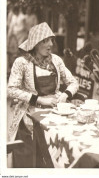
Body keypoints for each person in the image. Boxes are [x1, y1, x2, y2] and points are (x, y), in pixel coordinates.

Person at [7, 22, 79, 167]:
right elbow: (11, 89)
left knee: (57, 150)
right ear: (35, 43)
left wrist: (65, 95)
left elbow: (73, 82)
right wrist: (38, 99)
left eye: (51, 40)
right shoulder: (21, 62)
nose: (50, 44)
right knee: (30, 160)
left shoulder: (56, 61)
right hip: (30, 115)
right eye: (45, 41)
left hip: (55, 113)